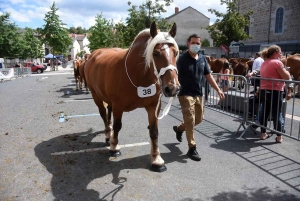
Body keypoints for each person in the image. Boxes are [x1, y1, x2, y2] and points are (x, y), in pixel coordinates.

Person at [173, 34, 225, 161]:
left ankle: (180, 128)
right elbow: (174, 74)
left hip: (198, 94)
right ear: (188, 43)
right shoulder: (181, 59)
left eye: (198, 43)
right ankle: (192, 147)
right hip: (185, 94)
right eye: (193, 43)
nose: (196, 45)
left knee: (199, 119)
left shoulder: (202, 59)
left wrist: (218, 89)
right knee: (190, 120)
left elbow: (208, 76)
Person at [256, 45, 290, 143]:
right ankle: (279, 136)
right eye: (280, 52)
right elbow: (287, 77)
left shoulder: (264, 63)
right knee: (276, 114)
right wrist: (286, 70)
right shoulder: (277, 63)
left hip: (264, 90)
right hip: (275, 91)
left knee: (265, 113)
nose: (281, 54)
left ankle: (263, 134)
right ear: (275, 53)